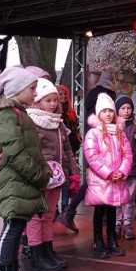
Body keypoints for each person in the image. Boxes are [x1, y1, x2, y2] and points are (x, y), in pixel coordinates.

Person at [0, 66, 52, 271]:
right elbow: (16, 153)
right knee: (11, 227)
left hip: (20, 179)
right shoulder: (6, 115)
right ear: (17, 89)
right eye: (31, 88)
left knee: (17, 226)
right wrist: (38, 175)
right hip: (13, 180)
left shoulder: (17, 113)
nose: (34, 92)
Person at [25, 78, 81, 271]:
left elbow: (68, 150)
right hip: (41, 177)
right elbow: (31, 151)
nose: (53, 104)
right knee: (36, 216)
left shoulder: (58, 123)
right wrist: (39, 172)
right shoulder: (31, 121)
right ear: (37, 101)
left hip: (57, 177)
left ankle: (47, 249)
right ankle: (36, 252)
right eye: (48, 100)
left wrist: (73, 173)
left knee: (49, 214)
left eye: (55, 100)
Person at [58, 70, 117, 231]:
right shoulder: (108, 95)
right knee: (96, 181)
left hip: (94, 141)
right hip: (103, 142)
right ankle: (71, 212)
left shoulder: (92, 95)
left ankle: (69, 211)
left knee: (94, 180)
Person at [84, 93, 133, 258]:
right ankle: (98, 241)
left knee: (113, 210)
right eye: (104, 111)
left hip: (116, 180)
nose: (108, 114)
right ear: (98, 113)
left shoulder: (120, 132)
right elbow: (92, 156)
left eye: (110, 111)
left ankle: (112, 240)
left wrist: (122, 171)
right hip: (101, 180)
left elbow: (128, 154)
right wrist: (109, 173)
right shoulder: (93, 133)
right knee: (100, 211)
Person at [115, 95, 136, 240]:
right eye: (123, 108)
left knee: (129, 198)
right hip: (116, 169)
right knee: (116, 197)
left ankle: (127, 224)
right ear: (117, 110)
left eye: (129, 108)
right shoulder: (113, 126)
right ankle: (116, 223)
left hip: (133, 168)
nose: (126, 111)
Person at [55, 84, 82, 215]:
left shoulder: (70, 112)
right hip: (58, 149)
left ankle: (65, 206)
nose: (63, 96)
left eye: (65, 94)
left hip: (70, 148)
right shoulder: (55, 112)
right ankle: (55, 206)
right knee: (57, 178)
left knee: (68, 178)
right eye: (60, 94)